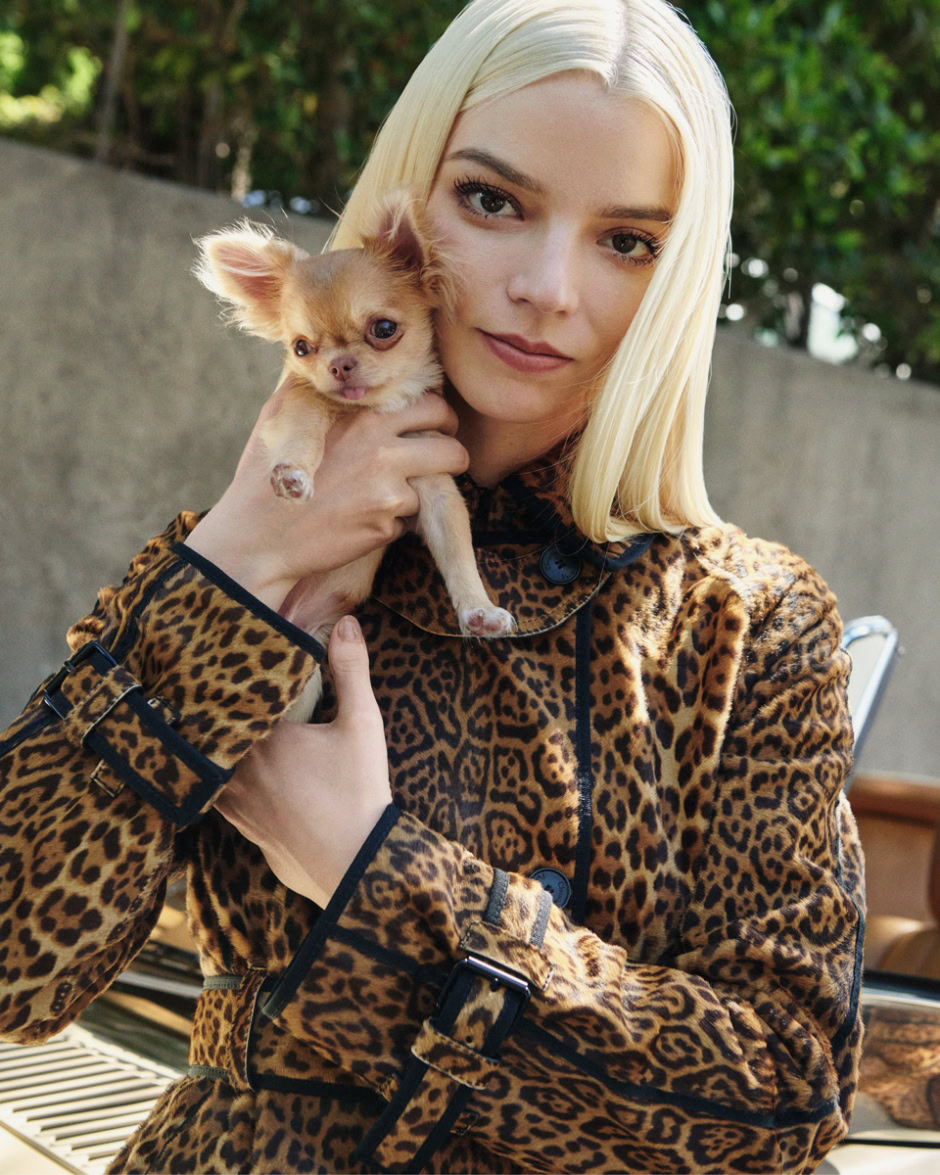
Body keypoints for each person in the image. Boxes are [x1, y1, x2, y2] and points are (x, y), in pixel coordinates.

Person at [0, 0, 864, 1171]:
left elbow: (786, 1100)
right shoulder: (253, 553)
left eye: (627, 240)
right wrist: (240, 559)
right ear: (408, 217)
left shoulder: (747, 619)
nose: (546, 286)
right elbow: (14, 970)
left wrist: (373, 874)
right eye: (493, 201)